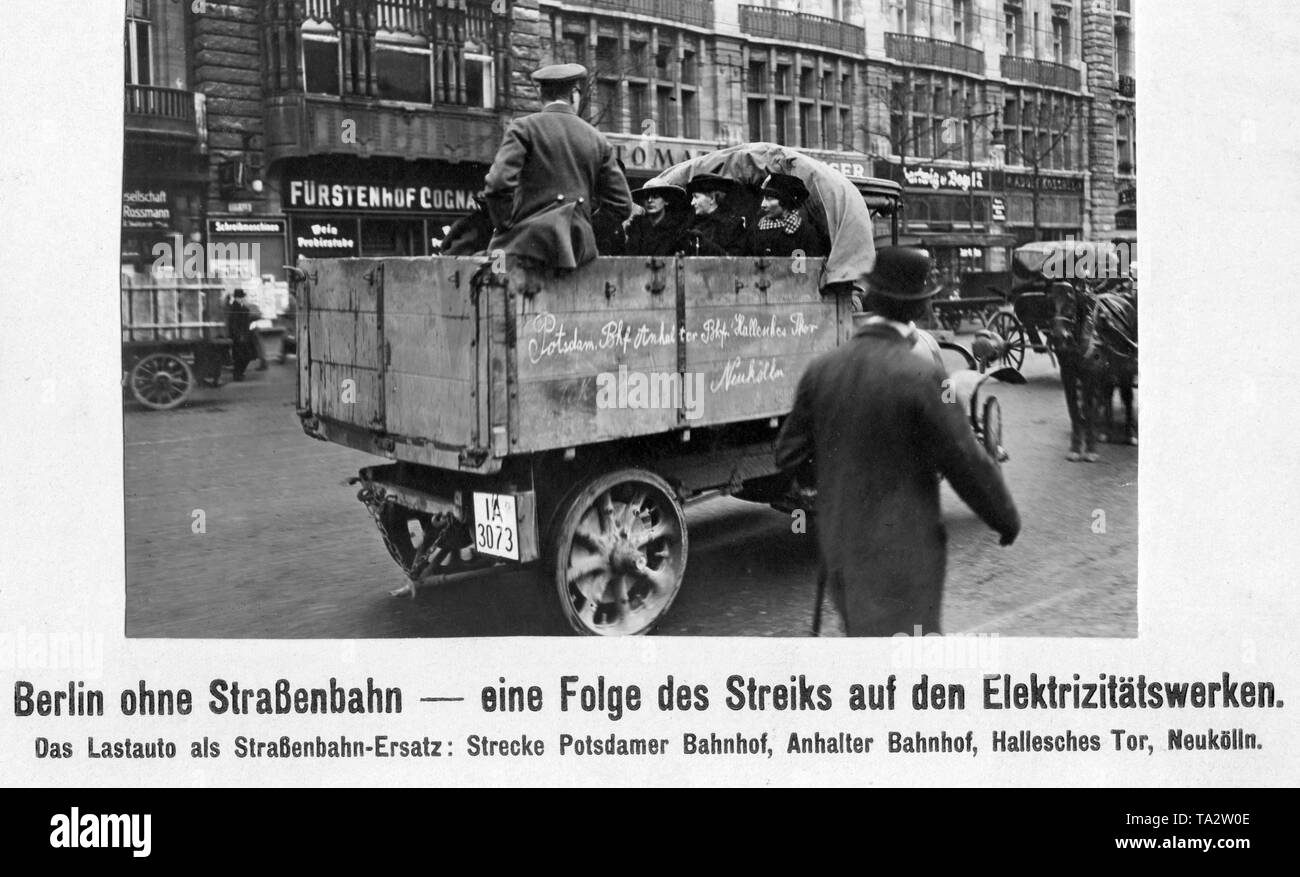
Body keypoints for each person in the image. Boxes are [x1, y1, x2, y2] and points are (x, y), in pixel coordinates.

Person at [775, 247, 1020, 637]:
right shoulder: (924, 378)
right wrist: (1004, 519)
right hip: (906, 555)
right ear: (919, 308)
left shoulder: (822, 370)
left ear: (871, 299)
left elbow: (787, 455)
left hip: (841, 549)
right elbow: (965, 462)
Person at [483, 63, 633, 269]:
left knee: (490, 270)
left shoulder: (523, 128)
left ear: (541, 96)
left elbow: (498, 183)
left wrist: (507, 225)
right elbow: (622, 205)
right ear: (574, 95)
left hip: (527, 247)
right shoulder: (598, 139)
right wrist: (585, 228)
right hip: (580, 252)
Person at [748, 173, 826, 258]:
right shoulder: (756, 229)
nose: (763, 205)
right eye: (763, 198)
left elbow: (811, 266)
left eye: (769, 199)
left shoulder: (805, 233)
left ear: (785, 202)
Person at [681, 173, 747, 256]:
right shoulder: (691, 224)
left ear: (712, 198)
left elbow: (735, 260)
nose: (692, 202)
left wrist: (704, 243)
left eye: (696, 197)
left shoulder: (734, 225)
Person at [624, 183, 689, 256]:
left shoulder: (677, 229)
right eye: (646, 197)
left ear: (666, 201)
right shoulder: (635, 228)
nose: (650, 200)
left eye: (655, 196)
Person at [225, 288, 257, 382]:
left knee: (242, 357)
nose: (243, 298)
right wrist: (239, 335)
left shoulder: (239, 307)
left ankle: (238, 373)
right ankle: (238, 374)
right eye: (242, 297)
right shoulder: (235, 308)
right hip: (240, 337)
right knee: (242, 357)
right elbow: (234, 324)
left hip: (243, 336)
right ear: (239, 298)